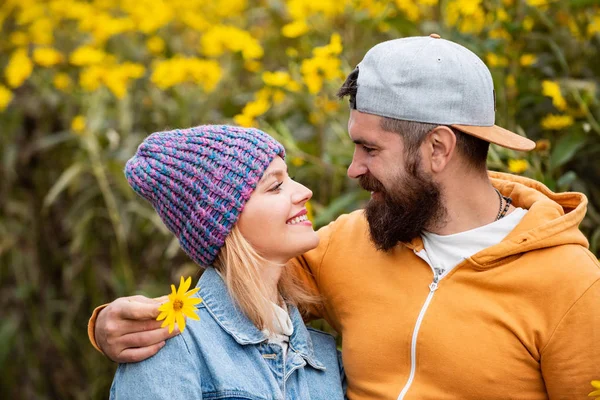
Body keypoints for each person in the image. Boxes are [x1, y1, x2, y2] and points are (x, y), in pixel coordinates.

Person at [90, 35, 600, 399]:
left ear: (438, 149)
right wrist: (109, 326)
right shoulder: (344, 245)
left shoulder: (569, 284)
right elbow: (239, 280)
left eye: (369, 148)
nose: (353, 168)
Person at [106, 125, 346, 399]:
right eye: (276, 186)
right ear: (225, 223)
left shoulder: (324, 358)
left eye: (290, 178)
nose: (304, 191)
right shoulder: (169, 346)